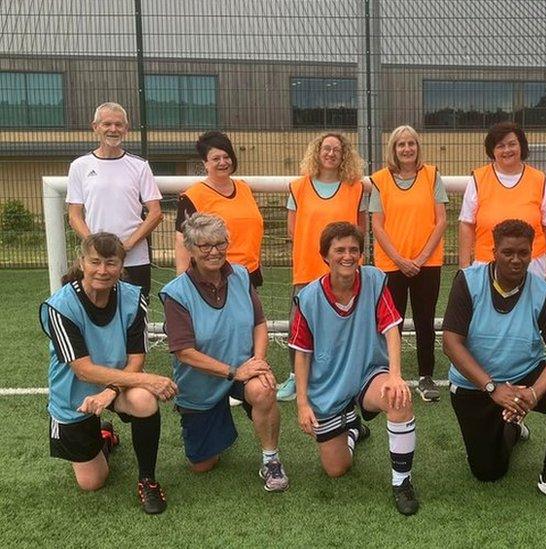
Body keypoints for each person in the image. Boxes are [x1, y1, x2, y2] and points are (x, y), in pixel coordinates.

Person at [443, 219, 546, 508]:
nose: (516, 260)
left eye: (523, 253)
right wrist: (492, 387)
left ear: (531, 252)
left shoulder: (540, 290)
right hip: (475, 384)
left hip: (525, 376)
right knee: (488, 472)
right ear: (494, 251)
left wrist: (534, 392)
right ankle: (512, 427)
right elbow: (451, 343)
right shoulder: (468, 281)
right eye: (508, 252)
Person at [40, 233, 176, 514]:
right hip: (74, 395)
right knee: (93, 482)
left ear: (121, 267)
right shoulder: (59, 306)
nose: (102, 270)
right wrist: (149, 379)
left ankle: (147, 480)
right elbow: (84, 370)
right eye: (95, 262)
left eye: (111, 263)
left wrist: (111, 392)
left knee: (144, 400)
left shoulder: (132, 298)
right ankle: (104, 436)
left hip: (116, 383)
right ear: (82, 262)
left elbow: (136, 359)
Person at [289, 222, 419, 516]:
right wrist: (301, 403)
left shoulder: (374, 280)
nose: (347, 256)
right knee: (336, 470)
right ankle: (353, 430)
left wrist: (396, 375)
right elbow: (302, 354)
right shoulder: (308, 298)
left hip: (368, 372)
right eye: (339, 250)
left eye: (353, 250)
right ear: (325, 256)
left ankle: (402, 482)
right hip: (328, 385)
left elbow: (390, 328)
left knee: (399, 398)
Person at [160, 213, 288, 491]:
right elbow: (184, 352)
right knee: (202, 465)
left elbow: (259, 323)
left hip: (243, 369)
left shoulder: (241, 275)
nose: (214, 251)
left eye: (220, 243)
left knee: (264, 388)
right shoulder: (176, 293)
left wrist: (259, 361)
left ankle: (271, 460)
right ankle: (219, 425)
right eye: (205, 245)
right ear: (191, 249)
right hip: (201, 382)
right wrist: (233, 371)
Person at [276, 132, 367, 402]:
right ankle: (296, 376)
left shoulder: (355, 188)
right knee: (298, 323)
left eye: (336, 150)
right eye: (326, 149)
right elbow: (293, 228)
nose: (330, 153)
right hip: (307, 266)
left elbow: (360, 228)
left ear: (344, 155)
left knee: (344, 323)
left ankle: (345, 375)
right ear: (317, 152)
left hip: (344, 271)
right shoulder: (299, 186)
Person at [370, 125, 448, 403]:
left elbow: (441, 220)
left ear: (417, 147)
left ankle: (426, 376)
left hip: (426, 264)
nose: (406, 149)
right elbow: (377, 225)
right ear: (393, 149)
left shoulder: (431, 175)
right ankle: (392, 374)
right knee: (392, 322)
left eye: (411, 144)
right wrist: (400, 260)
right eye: (401, 144)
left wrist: (421, 258)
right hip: (392, 266)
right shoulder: (380, 180)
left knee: (425, 320)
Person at [66, 102, 162, 297]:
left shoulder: (140, 166)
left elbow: (155, 213)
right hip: (95, 261)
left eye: (119, 125)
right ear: (95, 127)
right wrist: (95, 247)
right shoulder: (79, 166)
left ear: (126, 129)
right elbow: (74, 215)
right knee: (95, 312)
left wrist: (125, 247)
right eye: (107, 124)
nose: (113, 129)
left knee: (136, 314)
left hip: (134, 259)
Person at [458, 122, 546, 283]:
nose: (507, 150)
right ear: (492, 151)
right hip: (486, 263)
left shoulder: (539, 179)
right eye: (500, 146)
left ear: (521, 146)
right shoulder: (478, 179)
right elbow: (466, 224)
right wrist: (464, 266)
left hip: (532, 264)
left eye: (512, 144)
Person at [175, 131, 265, 287]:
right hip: (215, 279)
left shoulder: (245, 189)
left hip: (249, 276)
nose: (223, 162)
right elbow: (182, 241)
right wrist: (183, 283)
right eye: (216, 158)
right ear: (205, 163)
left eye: (226, 157)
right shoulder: (193, 196)